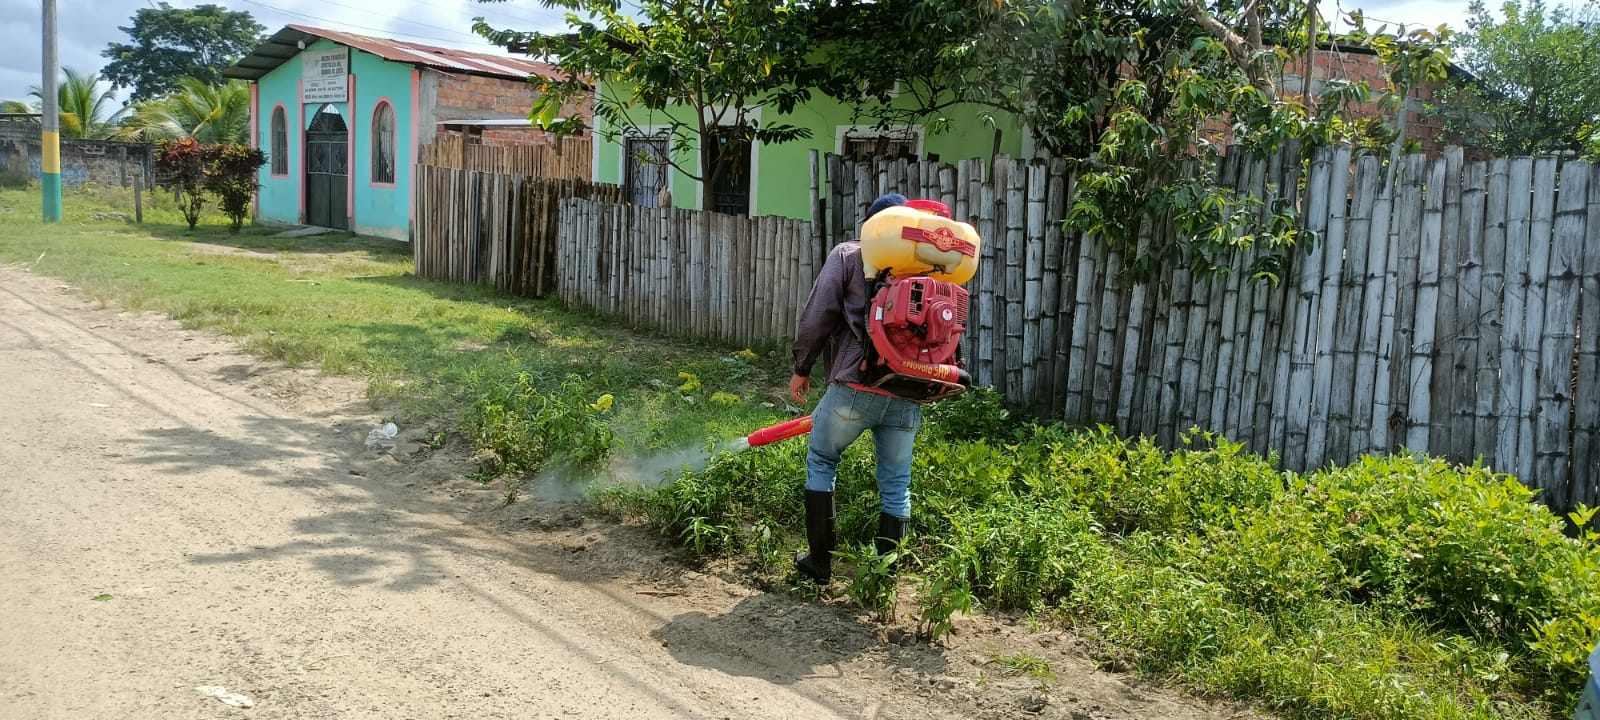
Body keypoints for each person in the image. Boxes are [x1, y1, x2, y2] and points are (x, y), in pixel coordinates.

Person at [788, 193, 922, 583]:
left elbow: (818, 316)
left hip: (855, 386)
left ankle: (819, 564)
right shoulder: (927, 267)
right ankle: (884, 580)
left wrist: (802, 367)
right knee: (896, 483)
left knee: (822, 460)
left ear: (872, 226)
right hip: (908, 391)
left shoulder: (850, 255)